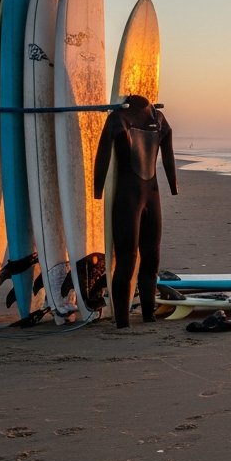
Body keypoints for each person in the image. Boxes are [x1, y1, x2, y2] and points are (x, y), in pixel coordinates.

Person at [93, 94, 177, 327]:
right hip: (134, 196)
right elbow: (103, 154)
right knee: (128, 260)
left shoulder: (147, 118)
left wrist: (173, 185)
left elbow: (102, 157)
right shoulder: (129, 118)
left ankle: (148, 315)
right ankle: (123, 321)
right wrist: (97, 190)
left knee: (150, 258)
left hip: (142, 195)